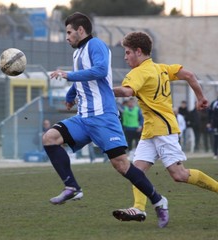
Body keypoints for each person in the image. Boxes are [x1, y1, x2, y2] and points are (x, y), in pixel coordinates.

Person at [42, 13, 168, 228]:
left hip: (103, 116)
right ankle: (72, 188)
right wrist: (71, 94)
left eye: (69, 32)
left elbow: (100, 71)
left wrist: (69, 75)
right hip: (84, 117)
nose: (67, 37)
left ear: (81, 30)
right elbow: (85, 76)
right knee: (50, 138)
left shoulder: (96, 45)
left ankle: (158, 200)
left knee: (121, 165)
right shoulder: (78, 52)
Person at [112, 31, 218, 225]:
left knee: (179, 175)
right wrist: (201, 97)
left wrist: (105, 92)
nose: (125, 57)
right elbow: (189, 75)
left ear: (138, 51)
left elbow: (127, 91)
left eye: (127, 53)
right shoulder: (161, 68)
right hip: (151, 131)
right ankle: (138, 208)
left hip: (164, 130)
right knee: (136, 172)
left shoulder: (139, 72)